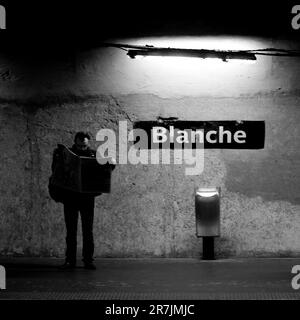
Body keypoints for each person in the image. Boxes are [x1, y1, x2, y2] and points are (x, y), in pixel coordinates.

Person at [51, 131, 115, 270]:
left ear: (88, 143)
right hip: (70, 197)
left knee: (88, 230)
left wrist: (111, 164)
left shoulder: (95, 154)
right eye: (79, 146)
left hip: (87, 198)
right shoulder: (66, 154)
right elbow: (56, 171)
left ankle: (88, 260)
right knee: (71, 231)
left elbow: (106, 171)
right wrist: (57, 158)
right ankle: (70, 260)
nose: (81, 148)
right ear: (75, 143)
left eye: (84, 146)